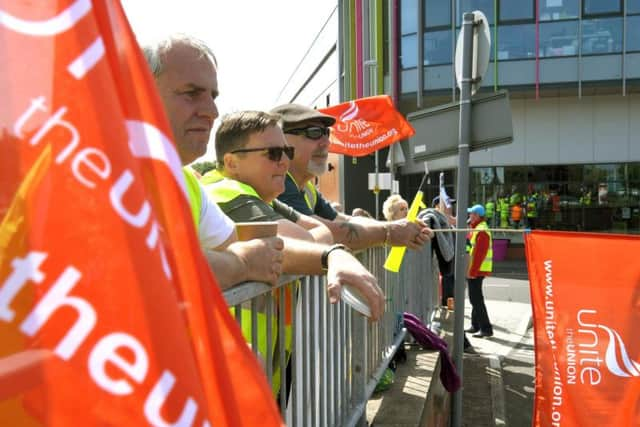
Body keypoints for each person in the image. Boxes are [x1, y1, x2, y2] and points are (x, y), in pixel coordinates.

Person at [201, 110, 385, 321]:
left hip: (260, 347)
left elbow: (319, 233)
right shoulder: (225, 191)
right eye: (273, 153)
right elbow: (305, 240)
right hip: (236, 346)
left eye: (286, 151)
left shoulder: (261, 194)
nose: (284, 162)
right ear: (232, 163)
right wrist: (331, 254)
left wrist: (319, 246)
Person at [143, 35, 284, 289]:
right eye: (191, 93)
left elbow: (241, 245)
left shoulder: (185, 181)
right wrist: (242, 264)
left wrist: (331, 254)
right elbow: (150, 264)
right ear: (138, 92)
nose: (212, 111)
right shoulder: (95, 168)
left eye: (212, 96)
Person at [271, 103, 433, 250]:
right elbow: (326, 232)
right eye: (314, 133)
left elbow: (344, 221)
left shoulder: (306, 188)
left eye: (327, 133)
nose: (326, 142)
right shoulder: (279, 183)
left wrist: (396, 226)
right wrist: (389, 232)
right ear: (281, 139)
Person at [465, 204, 494, 338]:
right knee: (475, 298)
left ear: (477, 215)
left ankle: (486, 329)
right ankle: (476, 326)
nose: (469, 216)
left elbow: (479, 254)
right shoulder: (477, 228)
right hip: (477, 270)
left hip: (477, 270)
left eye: (471, 214)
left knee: (476, 299)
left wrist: (472, 271)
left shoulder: (481, 230)